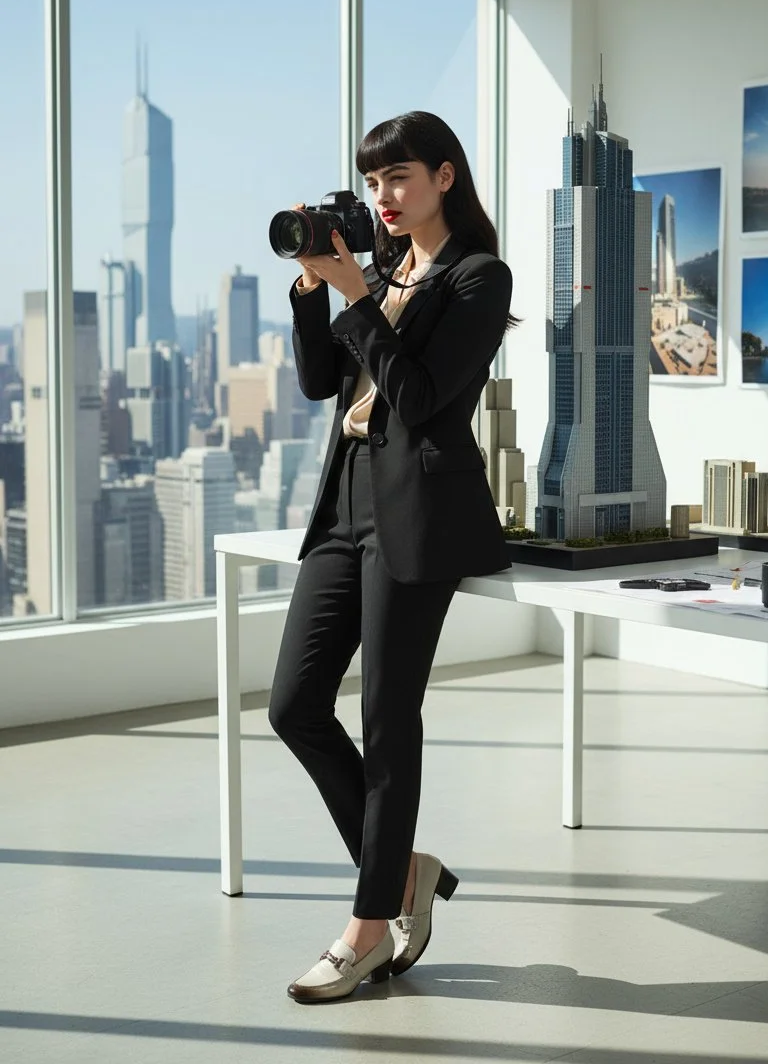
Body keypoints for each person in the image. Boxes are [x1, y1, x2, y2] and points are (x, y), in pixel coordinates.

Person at [268, 110, 518, 1004]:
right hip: (344, 502)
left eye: (400, 178)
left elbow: (417, 398)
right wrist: (313, 289)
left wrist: (360, 301)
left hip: (419, 511)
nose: (385, 196)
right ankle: (406, 872)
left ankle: (368, 931)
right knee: (293, 704)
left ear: (445, 177)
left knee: (385, 722)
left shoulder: (479, 277)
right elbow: (317, 382)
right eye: (374, 183)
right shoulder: (375, 272)